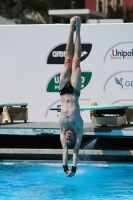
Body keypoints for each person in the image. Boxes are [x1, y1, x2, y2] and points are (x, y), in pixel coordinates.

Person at [59, 16, 84, 177]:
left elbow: (65, 150)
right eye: (70, 138)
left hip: (62, 91)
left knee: (67, 60)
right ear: (75, 137)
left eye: (66, 139)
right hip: (74, 91)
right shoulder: (78, 128)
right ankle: (78, 30)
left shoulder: (62, 131)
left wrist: (64, 169)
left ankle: (70, 28)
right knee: (75, 61)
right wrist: (73, 169)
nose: (67, 137)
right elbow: (74, 151)